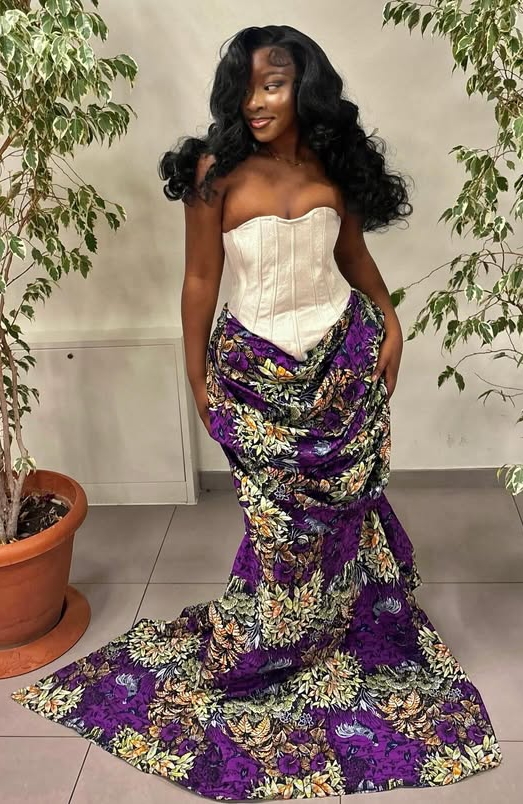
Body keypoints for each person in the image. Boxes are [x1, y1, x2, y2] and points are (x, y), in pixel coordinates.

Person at [12, 24, 502, 801]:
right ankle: (275, 643)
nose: (255, 101)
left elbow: (352, 259)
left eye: (271, 84)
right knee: (277, 528)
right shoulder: (214, 173)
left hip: (341, 363)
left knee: (346, 513)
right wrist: (196, 377)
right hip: (252, 375)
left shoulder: (330, 165)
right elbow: (199, 281)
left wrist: (391, 321)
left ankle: (341, 627)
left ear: (305, 87)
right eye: (244, 87)